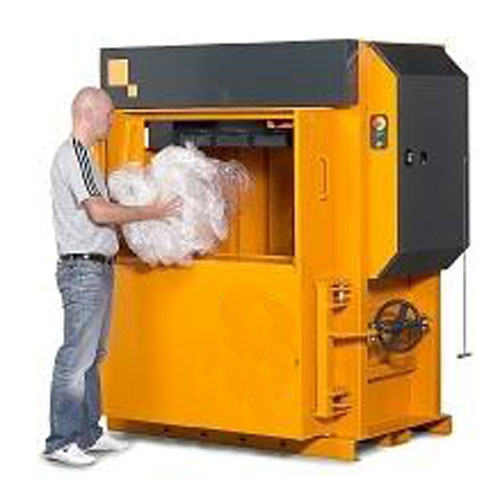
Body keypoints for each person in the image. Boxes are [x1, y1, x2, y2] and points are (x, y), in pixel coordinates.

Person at [44, 87, 182, 466]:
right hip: (83, 270)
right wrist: (153, 212)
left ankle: (88, 433)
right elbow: (100, 213)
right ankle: (61, 441)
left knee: (93, 355)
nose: (112, 121)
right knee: (75, 358)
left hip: (97, 267)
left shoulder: (86, 157)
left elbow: (105, 209)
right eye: (108, 114)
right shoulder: (75, 155)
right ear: (87, 113)